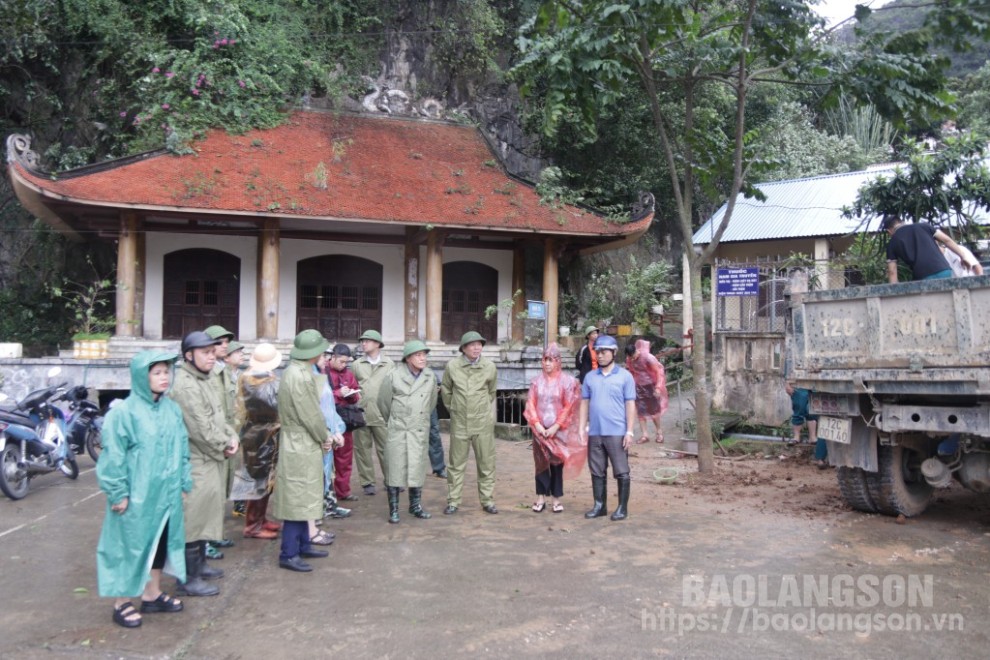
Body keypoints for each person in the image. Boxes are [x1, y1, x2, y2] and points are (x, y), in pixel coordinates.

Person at [96, 350, 192, 629]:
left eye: (166, 372)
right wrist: (118, 492)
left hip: (167, 492)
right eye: (157, 372)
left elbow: (182, 449)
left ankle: (152, 594)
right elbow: (113, 456)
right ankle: (121, 602)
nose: (164, 378)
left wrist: (183, 483)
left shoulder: (171, 409)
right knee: (128, 546)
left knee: (159, 543)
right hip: (136, 494)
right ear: (142, 376)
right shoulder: (124, 413)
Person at [169, 331, 238, 596]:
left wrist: (230, 435)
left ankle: (200, 565)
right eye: (205, 353)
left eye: (213, 352)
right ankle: (187, 577)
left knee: (207, 512)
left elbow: (219, 415)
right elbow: (200, 427)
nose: (211, 357)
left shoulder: (206, 379)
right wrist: (224, 443)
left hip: (212, 456)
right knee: (194, 517)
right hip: (197, 458)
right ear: (189, 355)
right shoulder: (185, 385)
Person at [273, 329, 335, 572]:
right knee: (297, 498)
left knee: (304, 496)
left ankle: (302, 544)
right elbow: (310, 413)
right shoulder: (299, 376)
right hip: (301, 441)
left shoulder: (297, 371)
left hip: (301, 440)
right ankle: (288, 552)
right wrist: (324, 436)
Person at [378, 339, 439, 523]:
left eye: (424, 355)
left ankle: (415, 507)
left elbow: (431, 403)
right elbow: (383, 403)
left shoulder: (429, 376)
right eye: (418, 355)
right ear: (408, 358)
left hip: (418, 430)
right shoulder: (394, 375)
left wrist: (418, 419)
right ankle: (394, 509)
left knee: (417, 469)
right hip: (399, 429)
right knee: (395, 469)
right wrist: (398, 420)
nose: (423, 359)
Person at [579, 334, 636, 522]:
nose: (600, 355)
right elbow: (584, 403)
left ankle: (622, 507)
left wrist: (629, 431)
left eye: (603, 352)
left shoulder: (625, 377)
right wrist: (581, 428)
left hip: (617, 432)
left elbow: (630, 405)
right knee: (596, 470)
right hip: (595, 432)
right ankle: (599, 505)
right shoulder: (589, 377)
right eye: (597, 352)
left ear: (614, 353)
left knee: (621, 470)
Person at [522, 343, 585, 514]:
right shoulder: (536, 382)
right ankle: (541, 496)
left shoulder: (567, 382)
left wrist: (556, 426)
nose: (547, 364)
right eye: (544, 360)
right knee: (540, 463)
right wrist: (537, 424)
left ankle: (556, 498)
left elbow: (569, 406)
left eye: (550, 360)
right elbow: (531, 404)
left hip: (559, 430)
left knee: (557, 464)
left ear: (558, 361)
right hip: (539, 430)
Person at [442, 331, 498, 515]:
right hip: (460, 423)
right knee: (456, 465)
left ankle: (487, 500)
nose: (477, 348)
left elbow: (491, 392)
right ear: (463, 348)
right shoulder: (452, 366)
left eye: (479, 344)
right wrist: (456, 409)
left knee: (486, 463)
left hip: (482, 423)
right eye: (472, 345)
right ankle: (453, 501)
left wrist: (479, 409)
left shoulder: (489, 366)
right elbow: (446, 391)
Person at [234, 342, 283, 540]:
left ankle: (260, 519)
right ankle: (253, 525)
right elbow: (269, 406)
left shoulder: (264, 377)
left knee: (266, 480)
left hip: (267, 433)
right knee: (257, 480)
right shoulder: (250, 379)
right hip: (257, 434)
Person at [204, 324, 238, 552]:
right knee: (208, 493)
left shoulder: (223, 371)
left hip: (227, 435)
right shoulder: (206, 373)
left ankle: (214, 533)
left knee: (222, 489)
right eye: (219, 342)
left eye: (226, 342)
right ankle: (204, 540)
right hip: (212, 440)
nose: (224, 346)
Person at [351, 329, 394, 496]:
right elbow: (353, 385)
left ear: (377, 344)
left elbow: (393, 387)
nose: (363, 343)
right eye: (362, 341)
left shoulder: (389, 364)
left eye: (367, 341)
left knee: (387, 449)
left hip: (382, 414)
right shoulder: (356, 365)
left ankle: (391, 480)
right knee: (362, 449)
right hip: (361, 413)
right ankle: (367, 481)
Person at [883, 216, 983, 283]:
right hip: (944, 270)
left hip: (923, 276)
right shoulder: (924, 226)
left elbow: (892, 271)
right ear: (902, 222)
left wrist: (894, 292)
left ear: (889, 231)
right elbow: (947, 240)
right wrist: (963, 256)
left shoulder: (892, 243)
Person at [325, 343, 360, 502]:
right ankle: (325, 493)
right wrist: (338, 393)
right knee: (325, 458)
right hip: (326, 420)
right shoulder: (322, 371)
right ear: (332, 357)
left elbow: (356, 392)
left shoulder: (348, 374)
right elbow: (318, 397)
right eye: (341, 362)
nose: (344, 365)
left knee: (344, 458)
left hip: (345, 420)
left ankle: (343, 491)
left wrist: (353, 395)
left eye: (346, 362)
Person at [624, 338, 669, 444]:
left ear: (636, 351)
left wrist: (658, 387)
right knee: (641, 411)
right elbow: (631, 372)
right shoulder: (629, 359)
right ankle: (645, 435)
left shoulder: (648, 357)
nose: (632, 358)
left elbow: (659, 372)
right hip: (638, 386)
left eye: (633, 356)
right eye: (630, 357)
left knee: (654, 410)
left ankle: (659, 433)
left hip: (651, 385)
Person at [785, 380, 828, 469]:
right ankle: (796, 437)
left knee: (813, 410)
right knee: (799, 408)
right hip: (799, 382)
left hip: (817, 383)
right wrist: (787, 383)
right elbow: (790, 368)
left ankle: (812, 437)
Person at [428, 401, 447, 478]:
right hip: (410, 401)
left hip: (429, 403)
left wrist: (438, 388)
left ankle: (439, 468)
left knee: (434, 435)